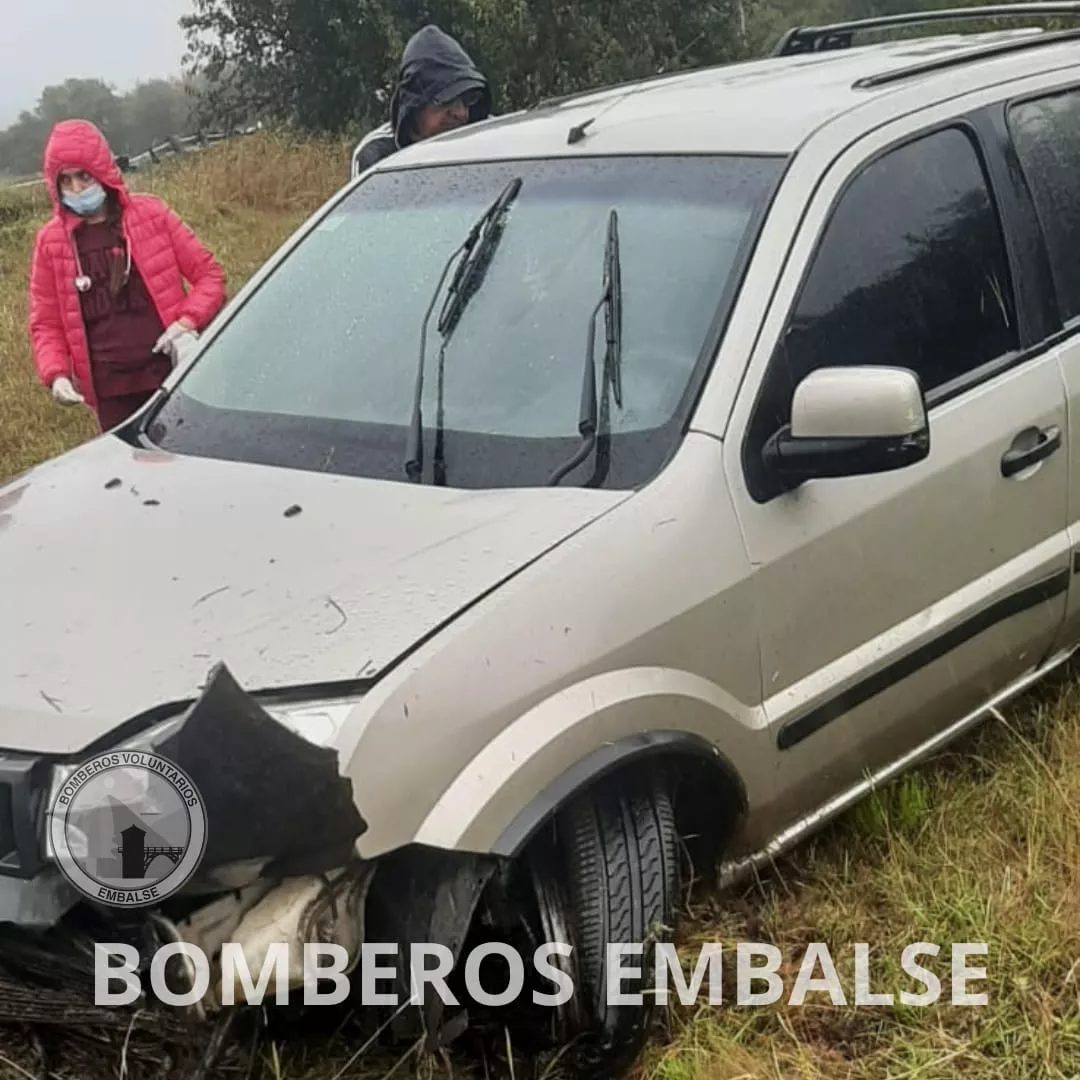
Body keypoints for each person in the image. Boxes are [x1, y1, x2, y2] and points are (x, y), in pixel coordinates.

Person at [28, 118, 227, 432]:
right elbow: (46, 322)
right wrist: (55, 373)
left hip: (172, 373)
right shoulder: (51, 242)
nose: (77, 189)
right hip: (110, 393)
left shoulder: (153, 215)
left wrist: (187, 323)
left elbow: (210, 277)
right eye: (65, 181)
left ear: (102, 171)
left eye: (83, 176)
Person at [350, 24, 492, 179]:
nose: (461, 113)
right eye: (446, 101)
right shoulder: (379, 156)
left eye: (468, 99)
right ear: (414, 106)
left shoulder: (493, 136)